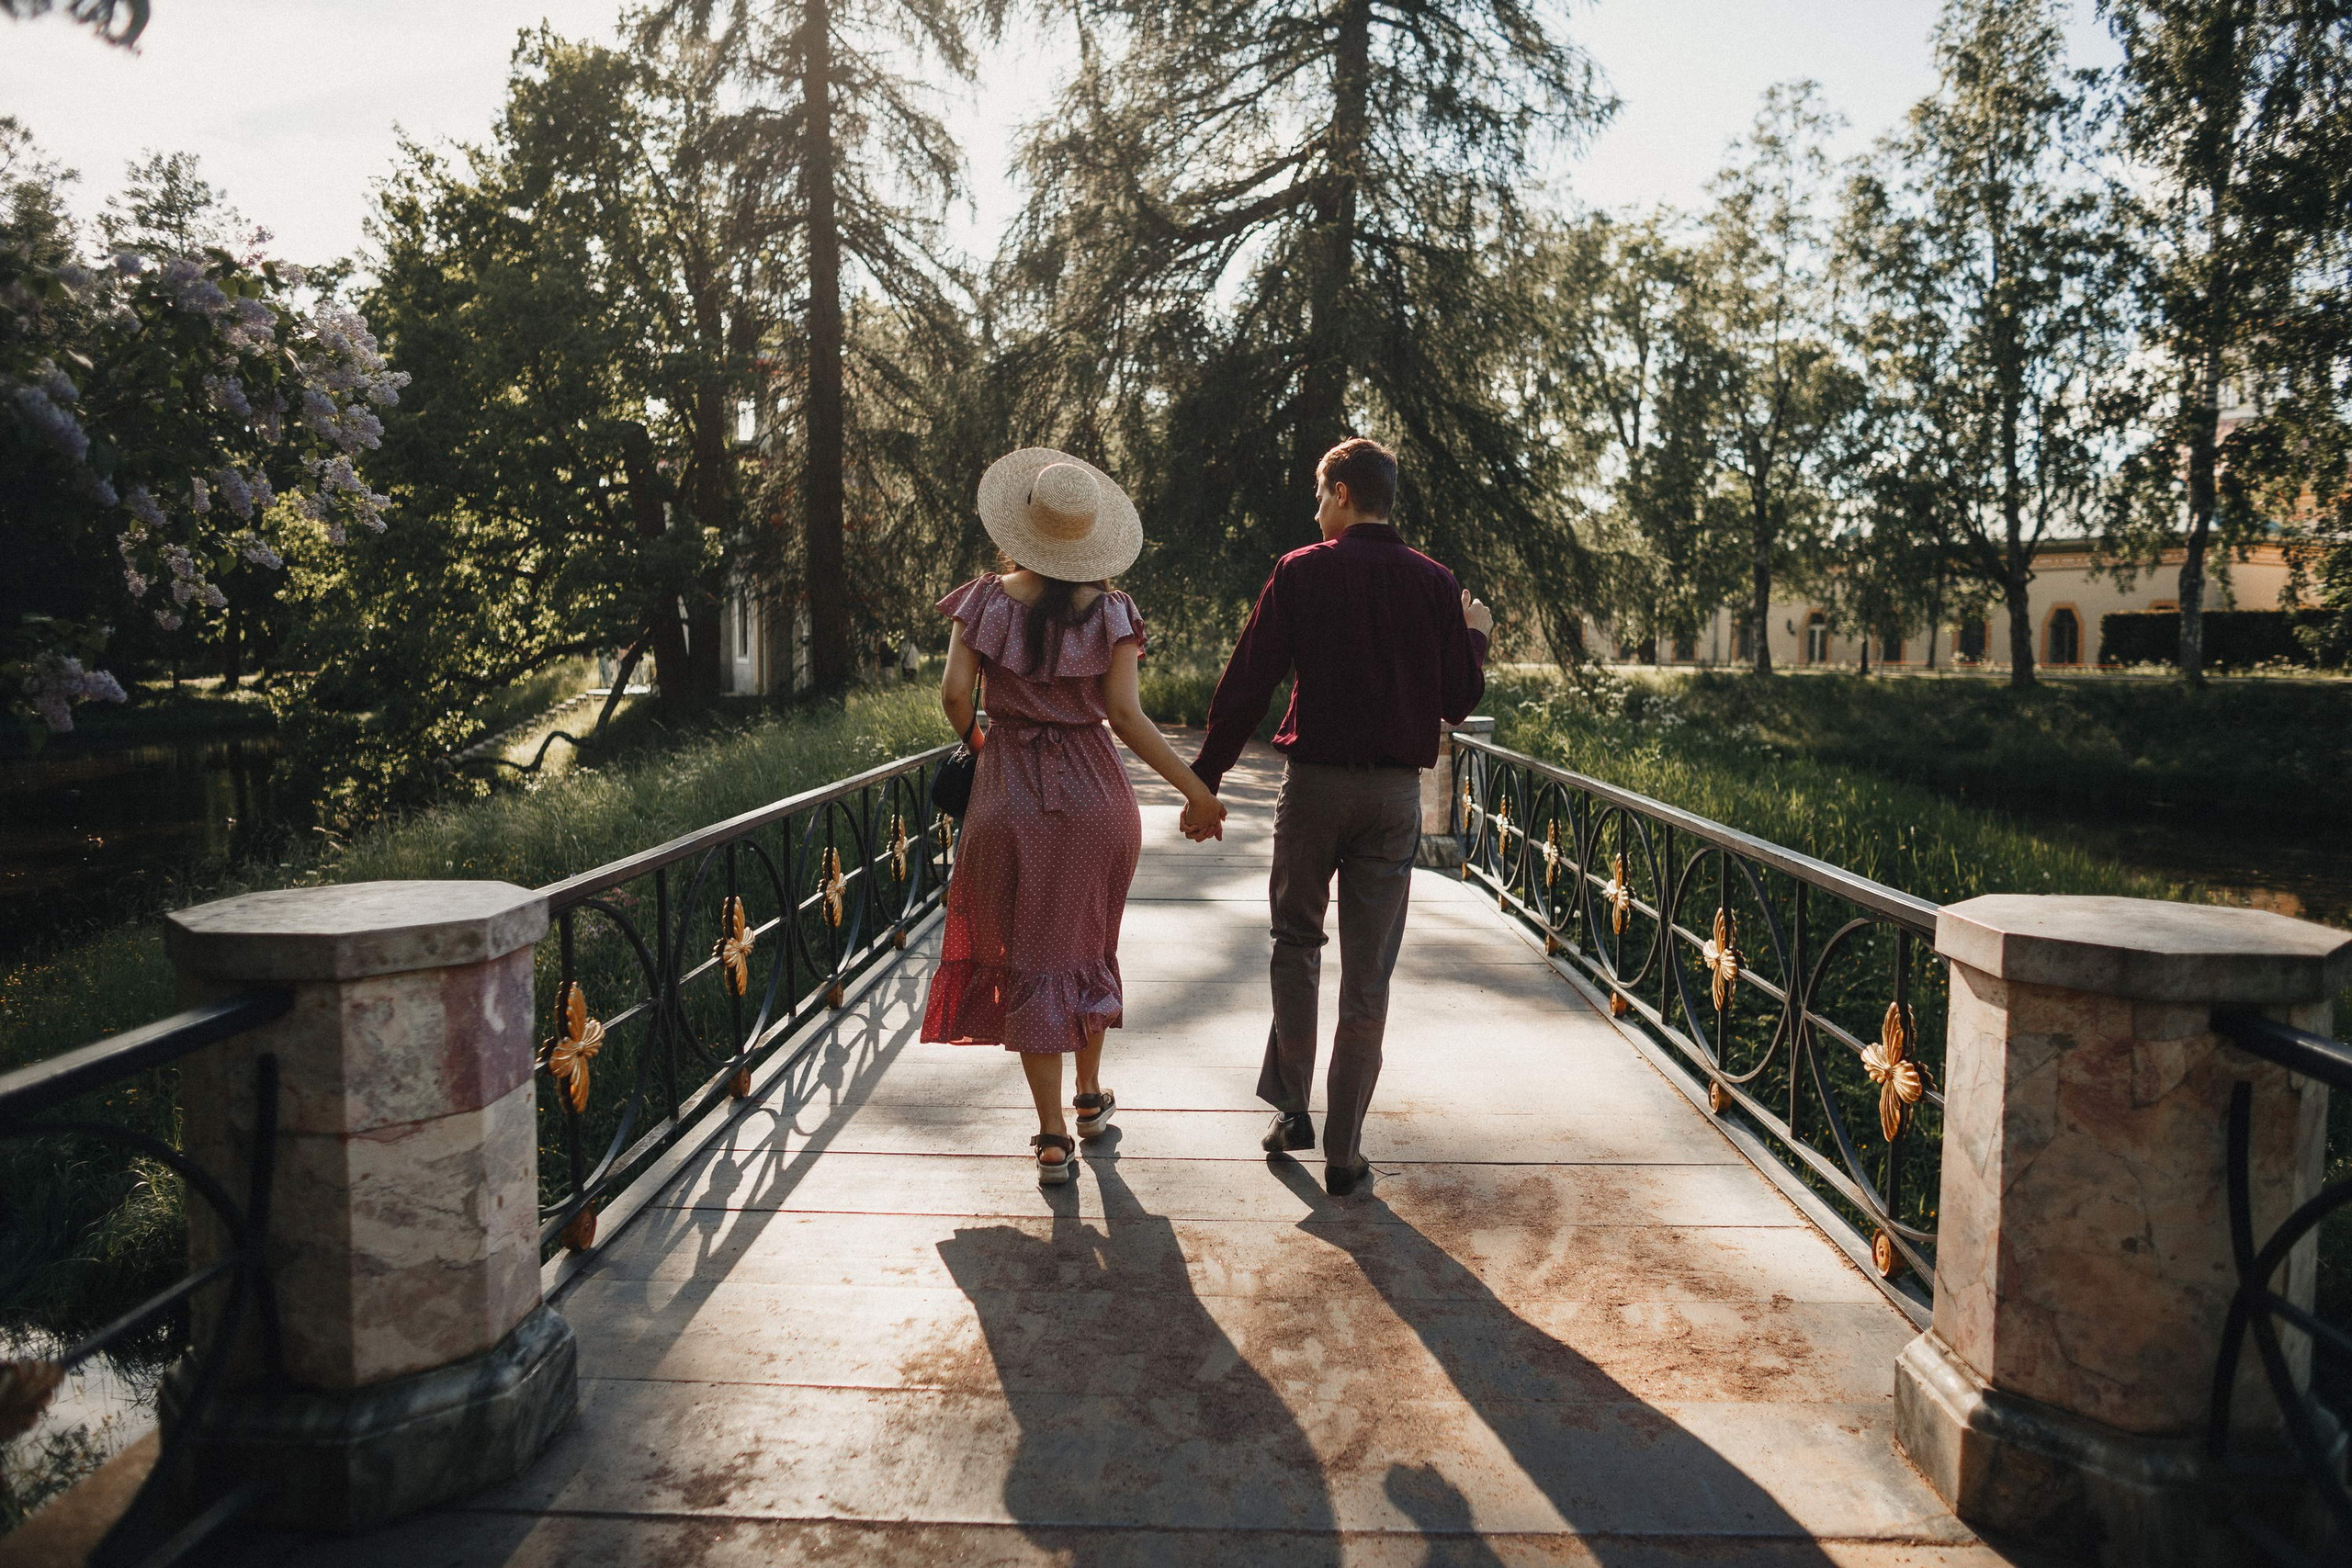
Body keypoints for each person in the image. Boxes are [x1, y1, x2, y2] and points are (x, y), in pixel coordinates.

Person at [1191, 437, 1493, 1195]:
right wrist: (1475, 633)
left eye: (1320, 495)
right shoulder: (1435, 582)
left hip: (1314, 791)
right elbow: (1458, 701)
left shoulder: (1301, 570)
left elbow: (1248, 682)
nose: (1315, 509)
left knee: (1295, 943)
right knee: (1368, 977)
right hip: (1392, 801)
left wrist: (1205, 780)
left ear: (1345, 493)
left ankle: (1293, 1107)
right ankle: (1344, 1151)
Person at [922, 448, 1228, 1185]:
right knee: (1087, 947)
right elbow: (1126, 714)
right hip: (1097, 800)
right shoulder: (1113, 611)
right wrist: (1196, 790)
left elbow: (955, 695)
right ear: (1092, 539)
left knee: (1033, 954)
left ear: (1022, 525)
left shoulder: (984, 601)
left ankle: (1053, 1136)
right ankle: (1090, 1098)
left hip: (1010, 797)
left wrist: (985, 747)